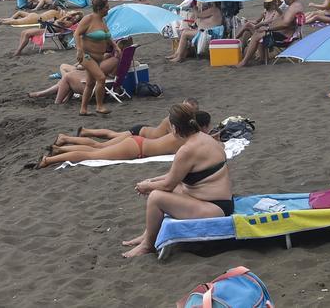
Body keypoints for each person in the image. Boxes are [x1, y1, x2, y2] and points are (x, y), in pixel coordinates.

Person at [120, 101, 232, 258]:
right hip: (220, 202)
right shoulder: (206, 139)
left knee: (156, 197)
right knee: (167, 189)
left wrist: (148, 188)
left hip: (214, 209)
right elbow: (176, 176)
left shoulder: (187, 150)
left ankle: (148, 245)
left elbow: (168, 184)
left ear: (173, 128)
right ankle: (146, 236)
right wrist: (151, 181)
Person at [34, 102, 196, 169]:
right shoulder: (186, 139)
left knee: (97, 148)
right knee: (91, 154)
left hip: (138, 142)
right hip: (136, 148)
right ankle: (48, 160)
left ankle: (59, 149)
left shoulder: (179, 134)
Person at [28, 38, 131, 104]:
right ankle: (48, 95)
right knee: (71, 75)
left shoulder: (113, 60)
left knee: (68, 77)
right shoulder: (124, 58)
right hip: (106, 84)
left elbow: (93, 69)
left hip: (98, 87)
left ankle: (57, 102)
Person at [236, 0, 303, 67]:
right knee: (258, 32)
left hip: (285, 38)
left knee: (257, 35)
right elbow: (283, 18)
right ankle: (260, 58)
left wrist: (268, 29)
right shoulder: (294, 6)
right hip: (283, 34)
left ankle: (244, 62)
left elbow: (286, 24)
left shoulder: (294, 7)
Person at [74, 0, 113, 116]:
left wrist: (115, 47)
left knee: (90, 83)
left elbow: (107, 37)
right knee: (101, 78)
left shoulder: (102, 20)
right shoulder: (88, 19)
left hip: (98, 57)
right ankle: (99, 106)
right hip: (86, 56)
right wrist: (79, 49)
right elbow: (77, 33)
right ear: (99, 8)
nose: (108, 9)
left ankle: (83, 109)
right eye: (107, 7)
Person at [13, 10, 83, 55]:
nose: (74, 18)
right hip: (48, 28)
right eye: (74, 16)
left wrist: (65, 16)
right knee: (23, 32)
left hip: (49, 31)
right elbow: (57, 22)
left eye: (75, 18)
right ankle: (19, 49)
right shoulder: (67, 19)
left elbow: (58, 22)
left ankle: (18, 51)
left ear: (76, 20)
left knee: (27, 34)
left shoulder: (69, 23)